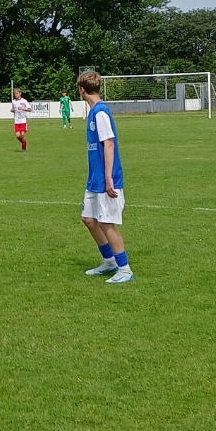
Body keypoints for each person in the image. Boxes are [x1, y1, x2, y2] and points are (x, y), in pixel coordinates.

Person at [78, 69, 133, 282]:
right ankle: (109, 262)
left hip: (106, 180)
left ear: (82, 89)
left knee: (107, 223)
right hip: (95, 180)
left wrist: (109, 178)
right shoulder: (94, 112)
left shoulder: (100, 112)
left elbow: (109, 144)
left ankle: (125, 269)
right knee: (89, 219)